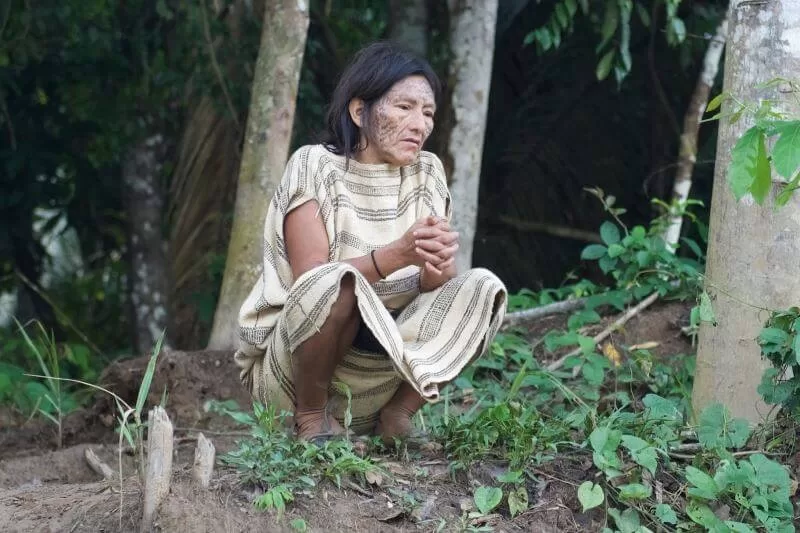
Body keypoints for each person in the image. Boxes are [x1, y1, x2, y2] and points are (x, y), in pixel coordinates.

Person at [234, 42, 507, 444]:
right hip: (294, 379)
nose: (420, 124)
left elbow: (438, 287)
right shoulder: (314, 166)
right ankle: (311, 420)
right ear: (359, 111)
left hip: (383, 374)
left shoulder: (427, 172)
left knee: (483, 288)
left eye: (428, 112)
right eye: (404, 107)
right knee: (335, 281)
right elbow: (312, 283)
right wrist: (397, 254)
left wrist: (435, 264)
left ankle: (396, 415)